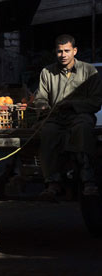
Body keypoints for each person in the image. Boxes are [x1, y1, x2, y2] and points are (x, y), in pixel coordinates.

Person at [33, 34, 102, 200]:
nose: (63, 55)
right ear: (55, 52)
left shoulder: (89, 71)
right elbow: (40, 96)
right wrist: (42, 105)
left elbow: (96, 102)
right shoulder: (46, 72)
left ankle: (88, 181)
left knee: (82, 129)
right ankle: (52, 183)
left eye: (66, 51)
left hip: (80, 116)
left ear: (75, 51)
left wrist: (73, 105)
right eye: (59, 51)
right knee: (48, 132)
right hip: (55, 118)